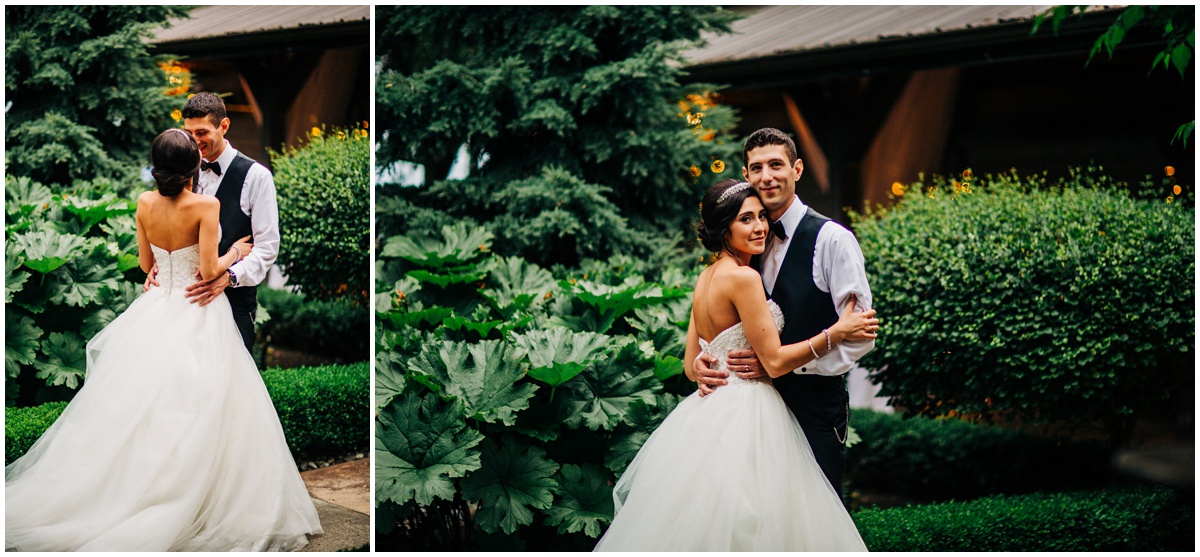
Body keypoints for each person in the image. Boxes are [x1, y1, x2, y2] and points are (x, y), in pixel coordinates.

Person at [5, 129, 322, 551]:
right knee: (201, 409)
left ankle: (134, 489)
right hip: (199, 313)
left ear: (155, 168)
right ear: (193, 168)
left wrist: (162, 267)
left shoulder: (143, 202)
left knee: (142, 410)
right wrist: (236, 253)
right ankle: (191, 496)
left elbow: (144, 263)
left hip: (154, 310)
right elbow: (210, 272)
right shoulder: (205, 205)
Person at [594, 179, 876, 551]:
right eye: (746, 220)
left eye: (761, 216)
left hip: (707, 411)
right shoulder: (745, 278)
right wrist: (836, 332)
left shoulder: (705, 277)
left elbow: (690, 364)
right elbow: (774, 362)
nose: (759, 226)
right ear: (724, 228)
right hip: (750, 411)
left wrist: (705, 370)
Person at [692, 128, 875, 494]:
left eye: (776, 165)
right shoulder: (747, 249)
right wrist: (704, 362)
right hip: (750, 416)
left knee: (816, 521)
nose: (767, 176)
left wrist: (784, 363)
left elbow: (858, 337)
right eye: (756, 167)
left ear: (797, 169)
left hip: (815, 409)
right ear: (746, 176)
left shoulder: (832, 240)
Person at [145, 92, 280, 353]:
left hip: (234, 304)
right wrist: (160, 264)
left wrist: (228, 277)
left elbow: (267, 248)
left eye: (202, 132)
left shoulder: (257, 177)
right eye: (189, 133)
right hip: (180, 307)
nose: (194, 141)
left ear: (224, 126)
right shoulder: (180, 172)